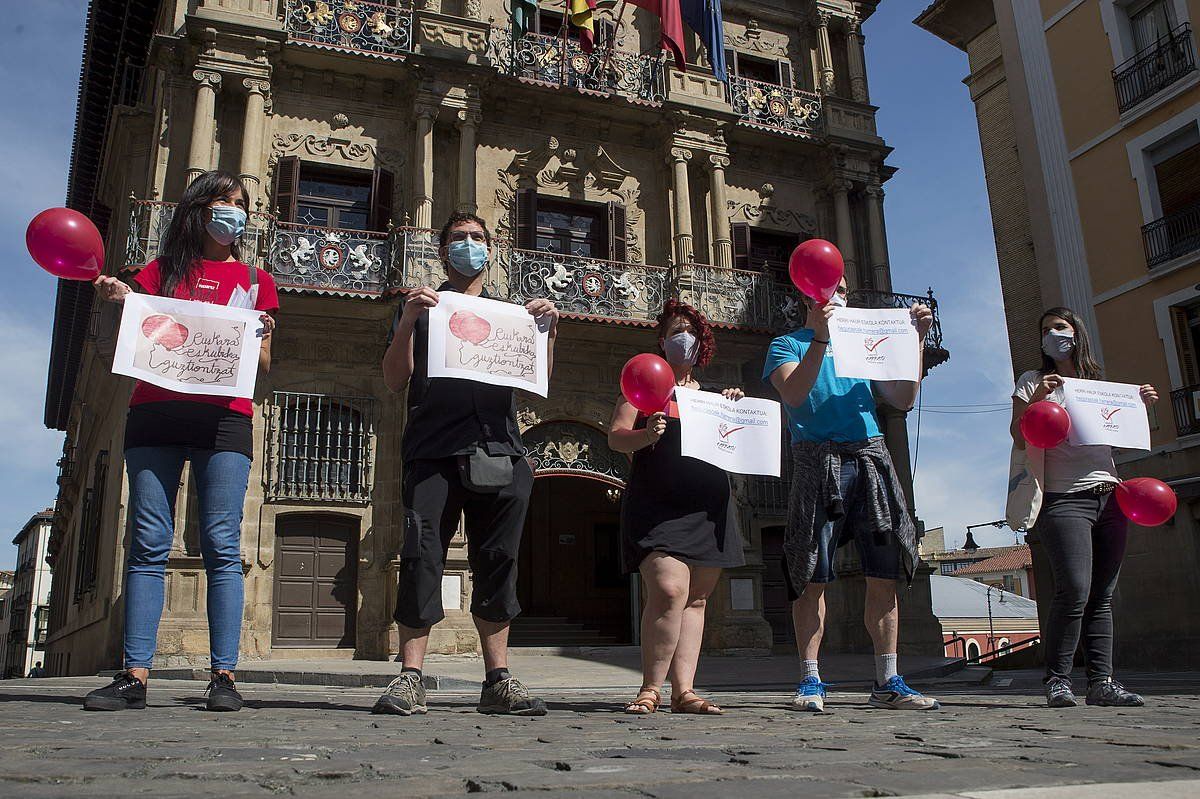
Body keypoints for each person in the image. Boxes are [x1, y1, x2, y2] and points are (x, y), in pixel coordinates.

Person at [84, 171, 278, 712]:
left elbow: (262, 366)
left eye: (240, 203)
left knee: (221, 544)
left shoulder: (256, 281)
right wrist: (118, 298)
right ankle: (134, 675)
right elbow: (127, 334)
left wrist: (259, 335)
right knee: (147, 543)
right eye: (224, 201)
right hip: (154, 414)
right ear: (199, 209)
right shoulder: (157, 272)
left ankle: (224, 677)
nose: (234, 211)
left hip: (225, 420)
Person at [374, 212, 559, 717]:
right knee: (421, 559)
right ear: (442, 251)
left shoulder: (510, 315)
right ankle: (410, 677)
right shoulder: (422, 309)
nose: (469, 245)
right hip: (432, 453)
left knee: (498, 561)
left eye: (478, 238)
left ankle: (498, 679)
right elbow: (394, 380)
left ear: (491, 248)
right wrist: (408, 319)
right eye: (459, 239)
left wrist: (547, 330)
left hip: (499, 451)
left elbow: (536, 382)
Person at [764, 278, 939, 712]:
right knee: (811, 575)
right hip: (817, 460)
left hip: (871, 458)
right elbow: (795, 393)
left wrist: (914, 342)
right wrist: (821, 339)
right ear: (806, 295)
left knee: (884, 573)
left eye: (842, 286)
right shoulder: (786, 345)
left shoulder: (863, 343)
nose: (837, 293)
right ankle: (810, 680)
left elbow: (903, 397)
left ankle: (888, 680)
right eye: (827, 286)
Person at [1011, 307, 1157, 708]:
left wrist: (1138, 404)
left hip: (1110, 495)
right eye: (1045, 330)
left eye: (1060, 327)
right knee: (1074, 587)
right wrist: (1036, 400)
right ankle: (1058, 680)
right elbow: (1019, 437)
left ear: (1076, 334)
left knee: (1102, 595)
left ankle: (1101, 683)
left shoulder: (1099, 384)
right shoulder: (1031, 381)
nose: (1052, 334)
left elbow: (1118, 435)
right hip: (1062, 497)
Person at [609, 300, 745, 716]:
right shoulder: (643, 389)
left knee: (697, 600)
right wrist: (646, 432)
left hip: (709, 506)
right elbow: (616, 438)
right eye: (673, 331)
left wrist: (735, 410)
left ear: (701, 342)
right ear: (662, 342)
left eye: (688, 330)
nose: (680, 337)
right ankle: (650, 688)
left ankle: (683, 691)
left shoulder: (714, 398)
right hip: (657, 504)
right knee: (668, 590)